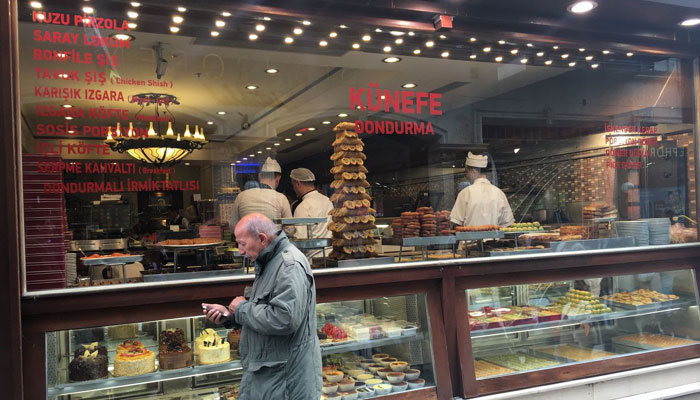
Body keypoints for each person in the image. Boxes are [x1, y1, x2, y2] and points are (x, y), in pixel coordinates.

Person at [202, 213, 321, 400]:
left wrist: (241, 309)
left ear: (262, 239)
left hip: (286, 381)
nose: (240, 251)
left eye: (242, 244)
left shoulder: (289, 266)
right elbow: (265, 310)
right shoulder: (269, 262)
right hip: (271, 377)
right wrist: (231, 315)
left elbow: (284, 319)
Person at [450, 152, 514, 227]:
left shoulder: (466, 193)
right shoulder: (499, 193)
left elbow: (456, 222)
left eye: (467, 172)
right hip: (494, 238)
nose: (467, 175)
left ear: (473, 172)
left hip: (470, 238)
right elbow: (507, 223)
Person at [231, 157, 293, 228]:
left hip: (248, 238)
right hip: (273, 239)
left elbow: (233, 226)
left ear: (259, 176)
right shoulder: (281, 198)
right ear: (278, 179)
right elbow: (290, 229)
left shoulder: (241, 196)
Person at [290, 168, 334, 260]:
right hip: (331, 255)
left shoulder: (303, 206)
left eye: (293, 185)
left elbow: (300, 239)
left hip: (312, 259)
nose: (293, 189)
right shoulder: (327, 200)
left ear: (298, 184)